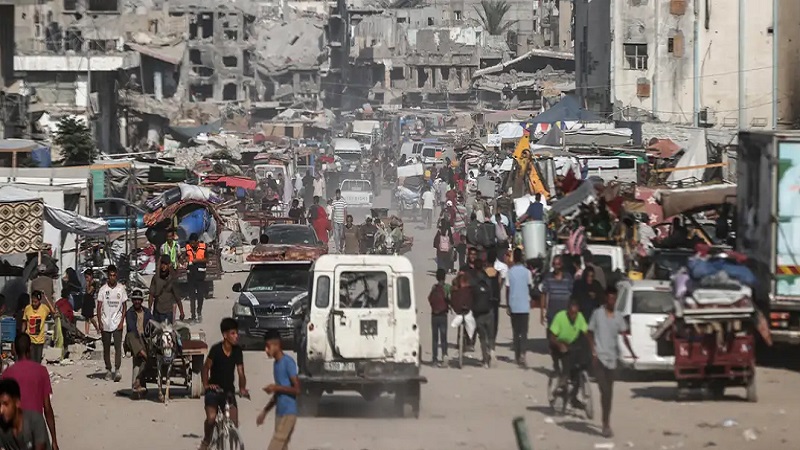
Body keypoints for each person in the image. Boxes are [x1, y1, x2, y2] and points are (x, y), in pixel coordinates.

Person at [589, 286, 637, 438]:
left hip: (612, 359)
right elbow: (589, 332)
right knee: (604, 390)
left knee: (609, 394)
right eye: (610, 298)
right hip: (599, 358)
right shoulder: (597, 314)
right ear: (606, 298)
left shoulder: (618, 317)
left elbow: (624, 335)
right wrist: (593, 350)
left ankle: (606, 422)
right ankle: (605, 424)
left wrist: (632, 352)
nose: (612, 301)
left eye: (614, 299)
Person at [1, 334, 58, 450]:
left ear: (14, 350)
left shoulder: (6, 374)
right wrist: (54, 440)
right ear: (30, 349)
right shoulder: (41, 371)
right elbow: (47, 407)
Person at [201, 318, 249, 450]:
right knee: (211, 419)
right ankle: (206, 440)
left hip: (229, 391)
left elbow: (241, 372)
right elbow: (205, 368)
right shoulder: (216, 350)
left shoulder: (237, 351)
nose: (236, 336)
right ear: (225, 335)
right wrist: (206, 385)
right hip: (214, 391)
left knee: (234, 423)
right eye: (233, 333)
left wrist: (242, 388)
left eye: (237, 333)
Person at [256, 330, 300, 450]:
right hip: (280, 414)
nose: (266, 350)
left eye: (268, 346)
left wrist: (276, 387)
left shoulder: (288, 362)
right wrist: (265, 411)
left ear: (277, 345)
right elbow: (277, 394)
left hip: (288, 414)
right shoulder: (276, 364)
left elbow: (297, 389)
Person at [548, 299, 590, 409]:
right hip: (557, 344)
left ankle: (573, 398)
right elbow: (552, 337)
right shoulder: (560, 317)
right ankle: (558, 392)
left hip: (570, 344)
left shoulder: (579, 317)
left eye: (575, 314)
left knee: (577, 370)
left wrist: (593, 347)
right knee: (564, 370)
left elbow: (586, 333)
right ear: (567, 311)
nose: (574, 316)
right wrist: (560, 345)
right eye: (571, 314)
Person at [0, 378, 49, 450]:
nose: (1, 410)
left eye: (6, 404)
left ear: (17, 402)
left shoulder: (35, 421)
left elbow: (40, 447)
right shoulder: (2, 427)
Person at [97, 265, 127, 382]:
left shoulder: (121, 289)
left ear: (116, 276)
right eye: (110, 275)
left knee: (118, 347)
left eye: (114, 275)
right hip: (106, 322)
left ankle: (117, 369)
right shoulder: (103, 290)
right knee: (106, 348)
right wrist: (100, 322)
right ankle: (108, 370)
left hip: (117, 321)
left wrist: (121, 321)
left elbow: (124, 306)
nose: (112, 277)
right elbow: (99, 307)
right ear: (108, 276)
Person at [506, 248, 533, 367]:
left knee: (516, 332)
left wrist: (508, 304)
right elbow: (530, 286)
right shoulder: (527, 272)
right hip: (524, 305)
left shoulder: (510, 272)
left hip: (514, 305)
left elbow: (507, 289)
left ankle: (517, 356)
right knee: (524, 332)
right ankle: (523, 354)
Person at [125, 291, 152, 395]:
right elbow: (131, 328)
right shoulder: (129, 313)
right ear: (132, 301)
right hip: (133, 339)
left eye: (138, 300)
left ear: (141, 301)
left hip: (145, 339)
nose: (137, 301)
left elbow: (152, 324)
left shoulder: (147, 312)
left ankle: (138, 382)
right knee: (131, 336)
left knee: (141, 360)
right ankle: (143, 353)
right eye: (135, 299)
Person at [149, 255, 185, 324]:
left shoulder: (172, 280)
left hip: (168, 312)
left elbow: (177, 298)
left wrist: (182, 312)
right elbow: (151, 295)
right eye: (162, 263)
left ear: (169, 265)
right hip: (157, 311)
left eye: (165, 264)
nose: (163, 266)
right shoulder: (156, 278)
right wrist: (149, 309)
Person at [541, 255, 574, 327]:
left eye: (558, 264)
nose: (556, 267)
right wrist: (542, 313)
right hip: (552, 314)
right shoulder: (548, 277)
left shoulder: (568, 278)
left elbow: (572, 296)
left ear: (562, 264)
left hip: (565, 314)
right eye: (554, 264)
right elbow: (543, 294)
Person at [22, 291, 53, 364]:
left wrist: (46, 298)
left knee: (38, 361)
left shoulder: (44, 308)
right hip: (30, 340)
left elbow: (53, 311)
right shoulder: (28, 308)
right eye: (32, 301)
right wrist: (22, 335)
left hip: (40, 340)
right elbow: (24, 322)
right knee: (32, 361)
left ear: (39, 301)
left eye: (35, 302)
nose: (34, 304)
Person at [428, 268, 450, 367]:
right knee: (443, 337)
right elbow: (449, 299)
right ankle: (444, 356)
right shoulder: (447, 287)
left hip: (434, 315)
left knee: (435, 338)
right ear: (444, 277)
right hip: (443, 315)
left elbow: (430, 299)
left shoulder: (434, 287)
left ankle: (434, 359)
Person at [186, 233, 208, 322]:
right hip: (191, 275)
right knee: (192, 296)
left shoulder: (203, 247)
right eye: (191, 243)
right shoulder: (187, 248)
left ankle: (199, 312)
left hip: (200, 276)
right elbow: (184, 257)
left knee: (200, 296)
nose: (192, 245)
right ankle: (193, 315)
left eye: (193, 243)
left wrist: (197, 260)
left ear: (197, 242)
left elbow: (206, 259)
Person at [81, 269, 100, 335]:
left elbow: (89, 292)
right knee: (86, 318)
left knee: (91, 317)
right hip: (86, 300)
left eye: (87, 277)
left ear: (91, 276)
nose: (86, 279)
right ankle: (86, 332)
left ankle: (97, 329)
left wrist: (87, 285)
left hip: (90, 301)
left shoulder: (93, 283)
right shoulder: (88, 283)